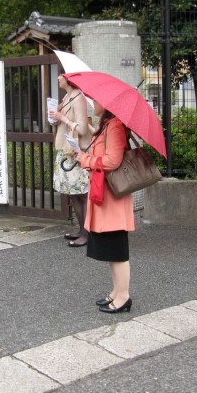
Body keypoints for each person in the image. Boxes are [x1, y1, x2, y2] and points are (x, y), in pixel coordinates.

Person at [75, 100, 135, 313]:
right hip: (105, 194)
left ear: (108, 104)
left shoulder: (115, 125)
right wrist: (83, 157)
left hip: (113, 198)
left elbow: (112, 161)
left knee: (117, 249)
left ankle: (124, 296)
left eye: (95, 101)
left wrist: (87, 160)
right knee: (111, 249)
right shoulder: (107, 124)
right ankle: (116, 292)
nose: (93, 103)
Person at [49, 74, 92, 247]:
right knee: (73, 194)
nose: (58, 78)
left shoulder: (78, 98)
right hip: (65, 150)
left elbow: (82, 129)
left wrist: (63, 118)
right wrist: (54, 118)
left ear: (69, 79)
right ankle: (81, 230)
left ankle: (87, 234)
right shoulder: (67, 97)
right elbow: (61, 123)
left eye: (62, 75)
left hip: (75, 152)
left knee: (82, 194)